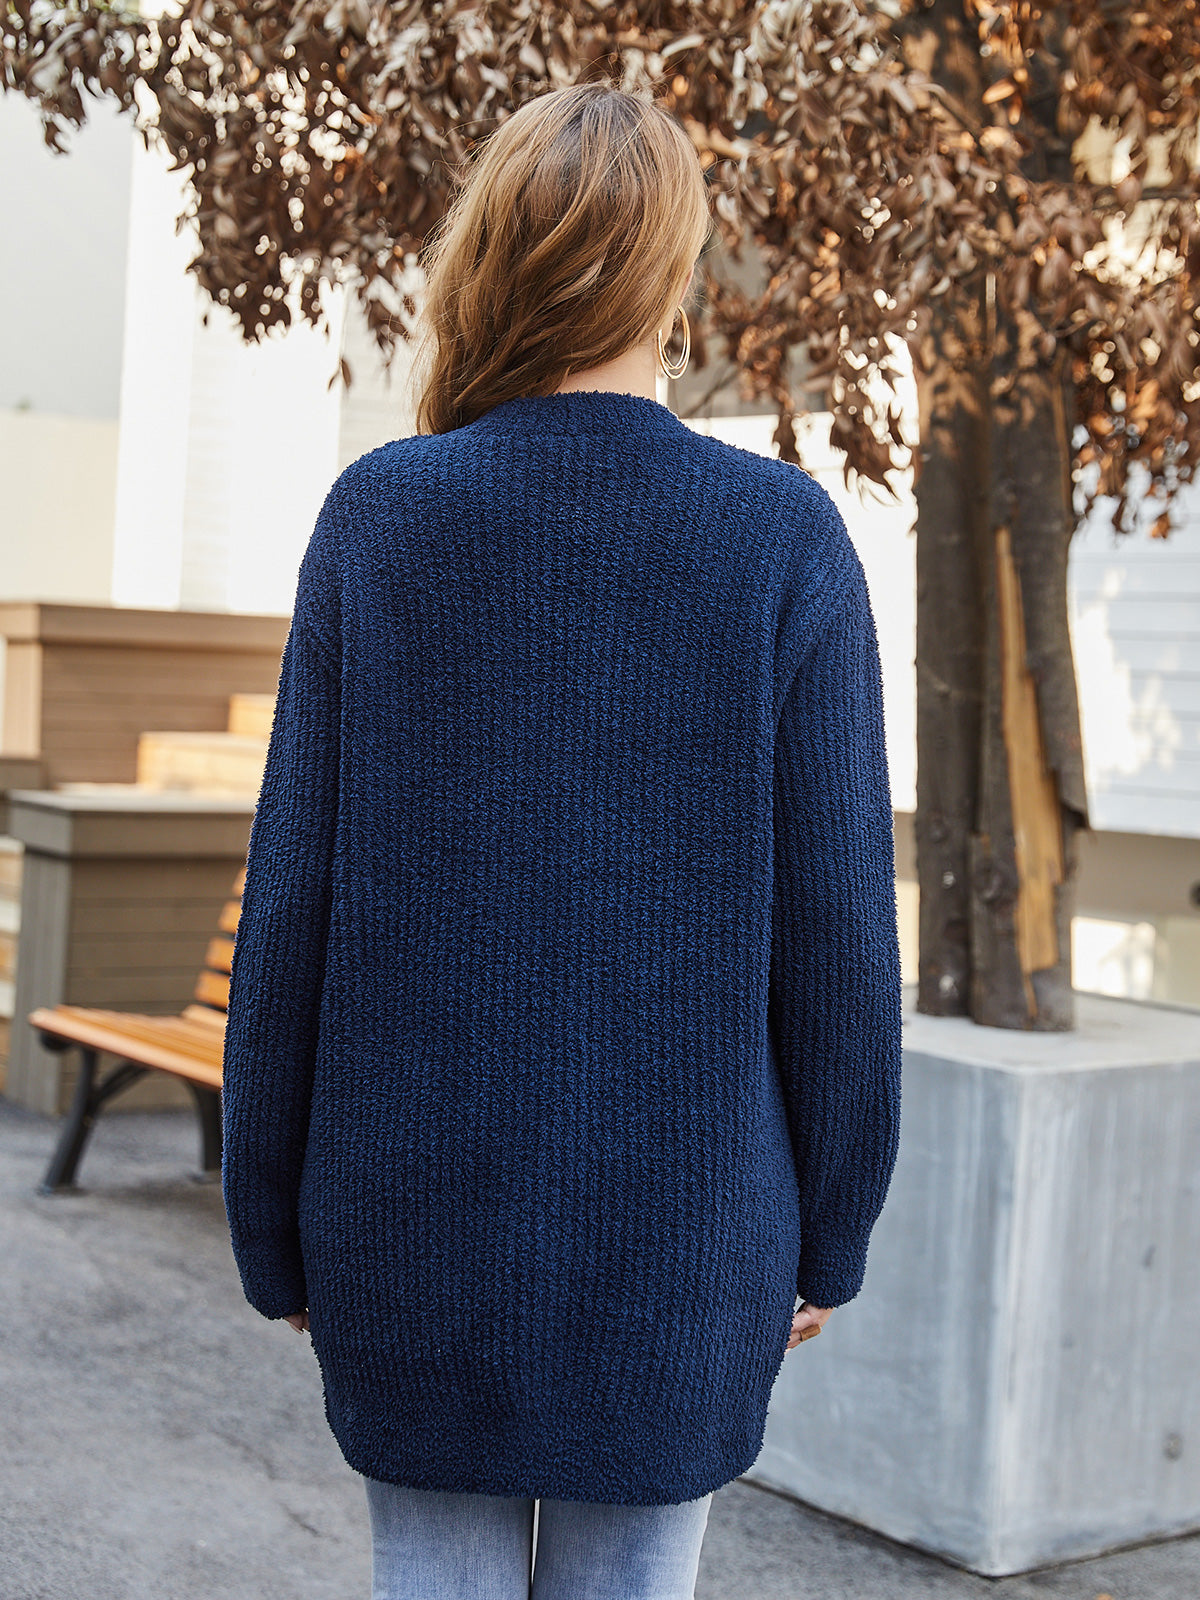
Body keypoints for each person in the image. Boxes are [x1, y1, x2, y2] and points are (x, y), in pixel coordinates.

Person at [220, 80, 903, 1600]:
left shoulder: (382, 519)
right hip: (687, 1243)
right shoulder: (780, 540)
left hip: (407, 1223)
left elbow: (290, 910)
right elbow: (843, 939)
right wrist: (831, 1232)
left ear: (491, 259)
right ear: (673, 275)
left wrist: (270, 1218)